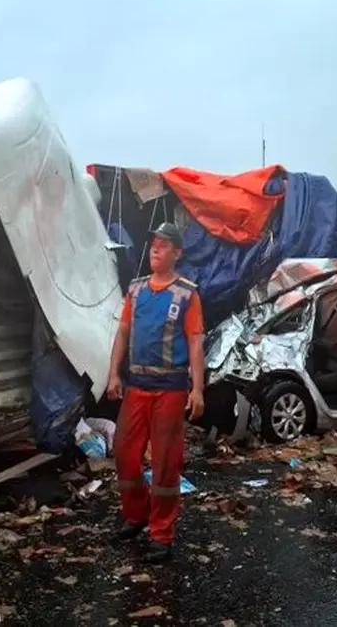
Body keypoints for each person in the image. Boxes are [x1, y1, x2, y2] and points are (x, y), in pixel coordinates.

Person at [106, 222, 205, 563]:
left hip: (170, 389)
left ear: (177, 253)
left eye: (164, 246)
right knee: (124, 454)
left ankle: (161, 533)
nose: (155, 250)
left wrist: (198, 389)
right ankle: (137, 515)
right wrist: (113, 374)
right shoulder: (135, 291)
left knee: (164, 464)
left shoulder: (187, 294)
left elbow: (195, 342)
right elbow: (122, 333)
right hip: (137, 385)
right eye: (153, 245)